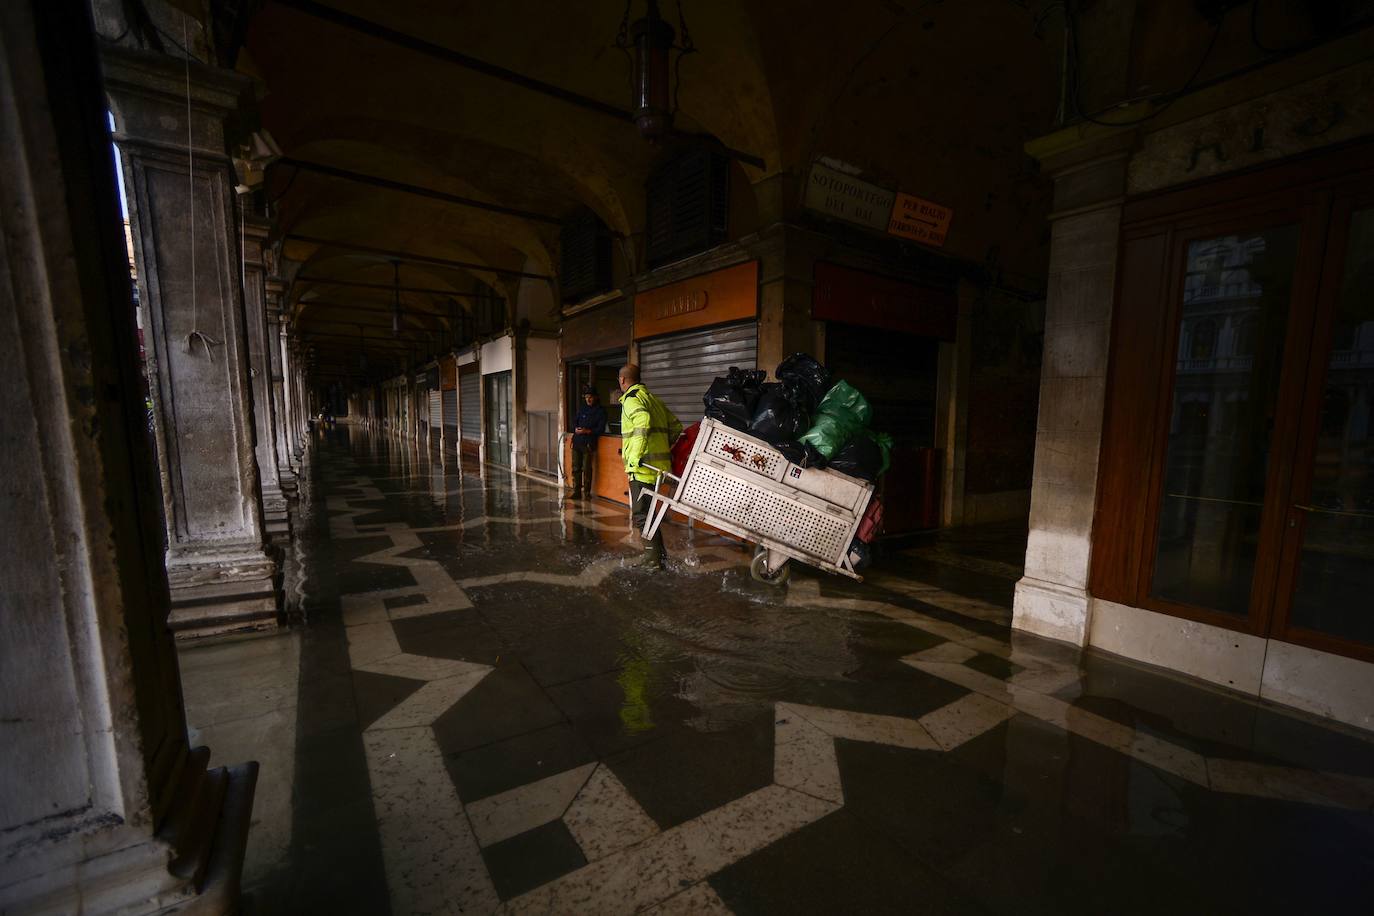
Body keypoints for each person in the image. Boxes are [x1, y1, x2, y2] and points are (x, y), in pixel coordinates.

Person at [618, 364, 682, 569]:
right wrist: (662, 447)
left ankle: (654, 562)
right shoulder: (654, 400)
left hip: (643, 469)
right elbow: (676, 425)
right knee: (649, 515)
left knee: (641, 515)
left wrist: (635, 456)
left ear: (622, 380)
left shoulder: (631, 400)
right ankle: (657, 558)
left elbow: (642, 419)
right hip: (659, 468)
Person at [569, 385, 606, 498]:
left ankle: (586, 492)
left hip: (588, 443)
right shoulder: (582, 408)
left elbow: (600, 429)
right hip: (577, 442)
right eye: (586, 397)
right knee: (576, 468)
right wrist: (575, 428)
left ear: (595, 397)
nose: (588, 399)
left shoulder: (600, 411)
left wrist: (588, 431)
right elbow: (574, 422)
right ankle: (576, 491)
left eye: (590, 397)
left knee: (586, 468)